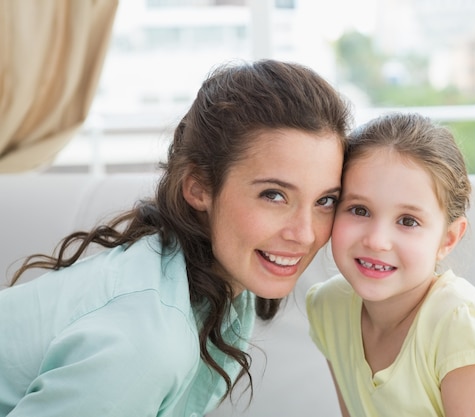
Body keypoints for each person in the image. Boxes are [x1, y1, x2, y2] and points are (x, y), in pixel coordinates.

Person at [0, 59, 352, 417]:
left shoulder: (210, 284)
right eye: (273, 195)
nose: (305, 234)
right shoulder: (146, 343)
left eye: (325, 200)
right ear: (198, 187)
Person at [306, 112, 475, 416]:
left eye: (408, 221)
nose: (377, 241)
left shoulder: (463, 328)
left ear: (448, 239)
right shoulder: (328, 306)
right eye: (359, 210)